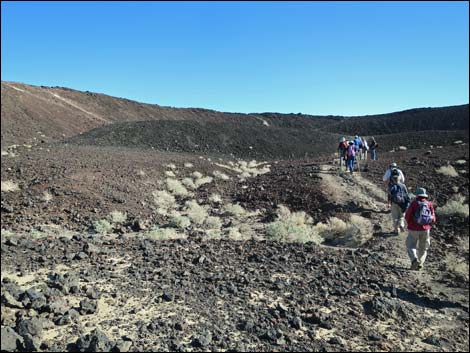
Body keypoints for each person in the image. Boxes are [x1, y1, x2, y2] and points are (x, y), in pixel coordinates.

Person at [404, 187, 436, 270]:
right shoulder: (429, 204)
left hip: (414, 228)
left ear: (417, 195)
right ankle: (420, 263)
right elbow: (433, 218)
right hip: (426, 229)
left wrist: (409, 224)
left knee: (410, 245)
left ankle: (414, 260)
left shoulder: (414, 203)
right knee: (423, 248)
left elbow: (407, 216)